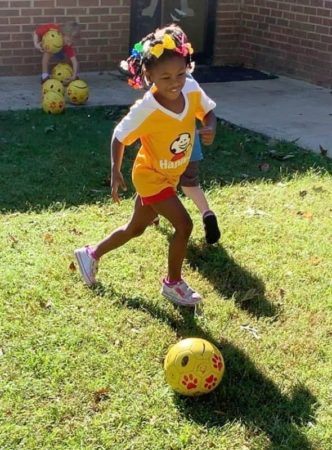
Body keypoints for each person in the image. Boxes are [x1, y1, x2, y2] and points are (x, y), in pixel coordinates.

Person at [74, 24, 217, 306]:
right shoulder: (146, 109)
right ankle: (172, 284)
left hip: (169, 175)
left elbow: (208, 111)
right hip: (150, 177)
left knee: (135, 228)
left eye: (179, 73)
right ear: (148, 76)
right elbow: (119, 136)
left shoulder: (190, 88)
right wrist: (115, 172)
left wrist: (210, 126)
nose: (174, 82)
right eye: (164, 77)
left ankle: (90, 254)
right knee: (184, 225)